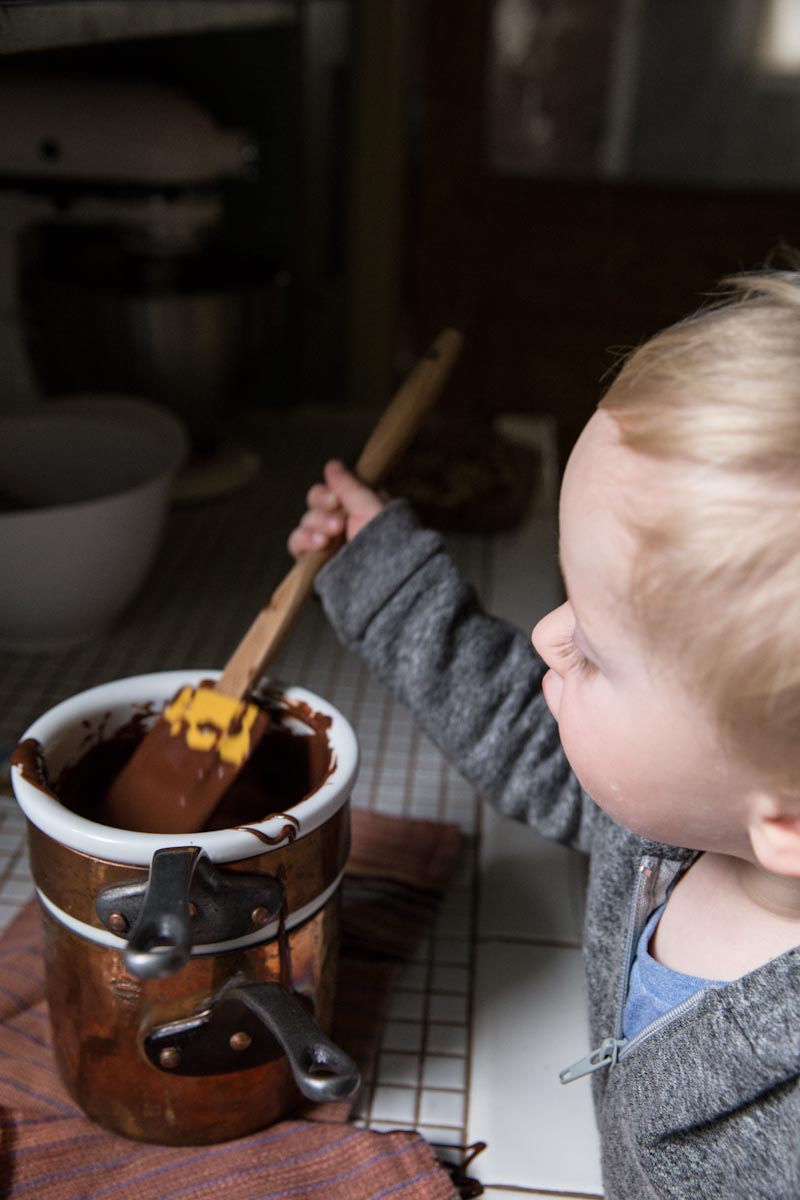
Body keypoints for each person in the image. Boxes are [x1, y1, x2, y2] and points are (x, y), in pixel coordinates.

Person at [287, 270, 800, 1199]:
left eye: (595, 653)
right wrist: (388, 578)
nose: (546, 636)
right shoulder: (687, 810)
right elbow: (537, 739)